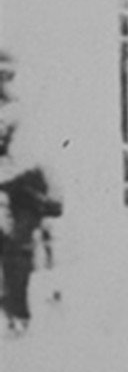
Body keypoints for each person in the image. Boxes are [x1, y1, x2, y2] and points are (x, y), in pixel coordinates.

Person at [0, 50, 61, 335]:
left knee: (16, 241)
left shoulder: (17, 112)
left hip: (23, 189)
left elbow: (21, 159)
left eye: (3, 77)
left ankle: (17, 311)